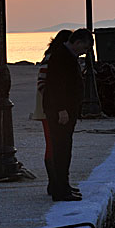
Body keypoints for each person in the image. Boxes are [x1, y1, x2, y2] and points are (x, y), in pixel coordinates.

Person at [42, 28, 92, 202]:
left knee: (65, 149)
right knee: (61, 150)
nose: (85, 52)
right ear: (77, 42)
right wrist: (61, 109)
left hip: (67, 110)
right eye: (85, 48)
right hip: (60, 112)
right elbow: (56, 85)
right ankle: (60, 191)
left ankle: (63, 186)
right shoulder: (61, 56)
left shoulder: (67, 55)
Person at [31, 30, 73, 198]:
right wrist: (54, 104)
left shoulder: (54, 56)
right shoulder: (52, 58)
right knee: (53, 146)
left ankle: (57, 183)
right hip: (47, 109)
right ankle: (54, 184)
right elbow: (42, 83)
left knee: (55, 145)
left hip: (49, 107)